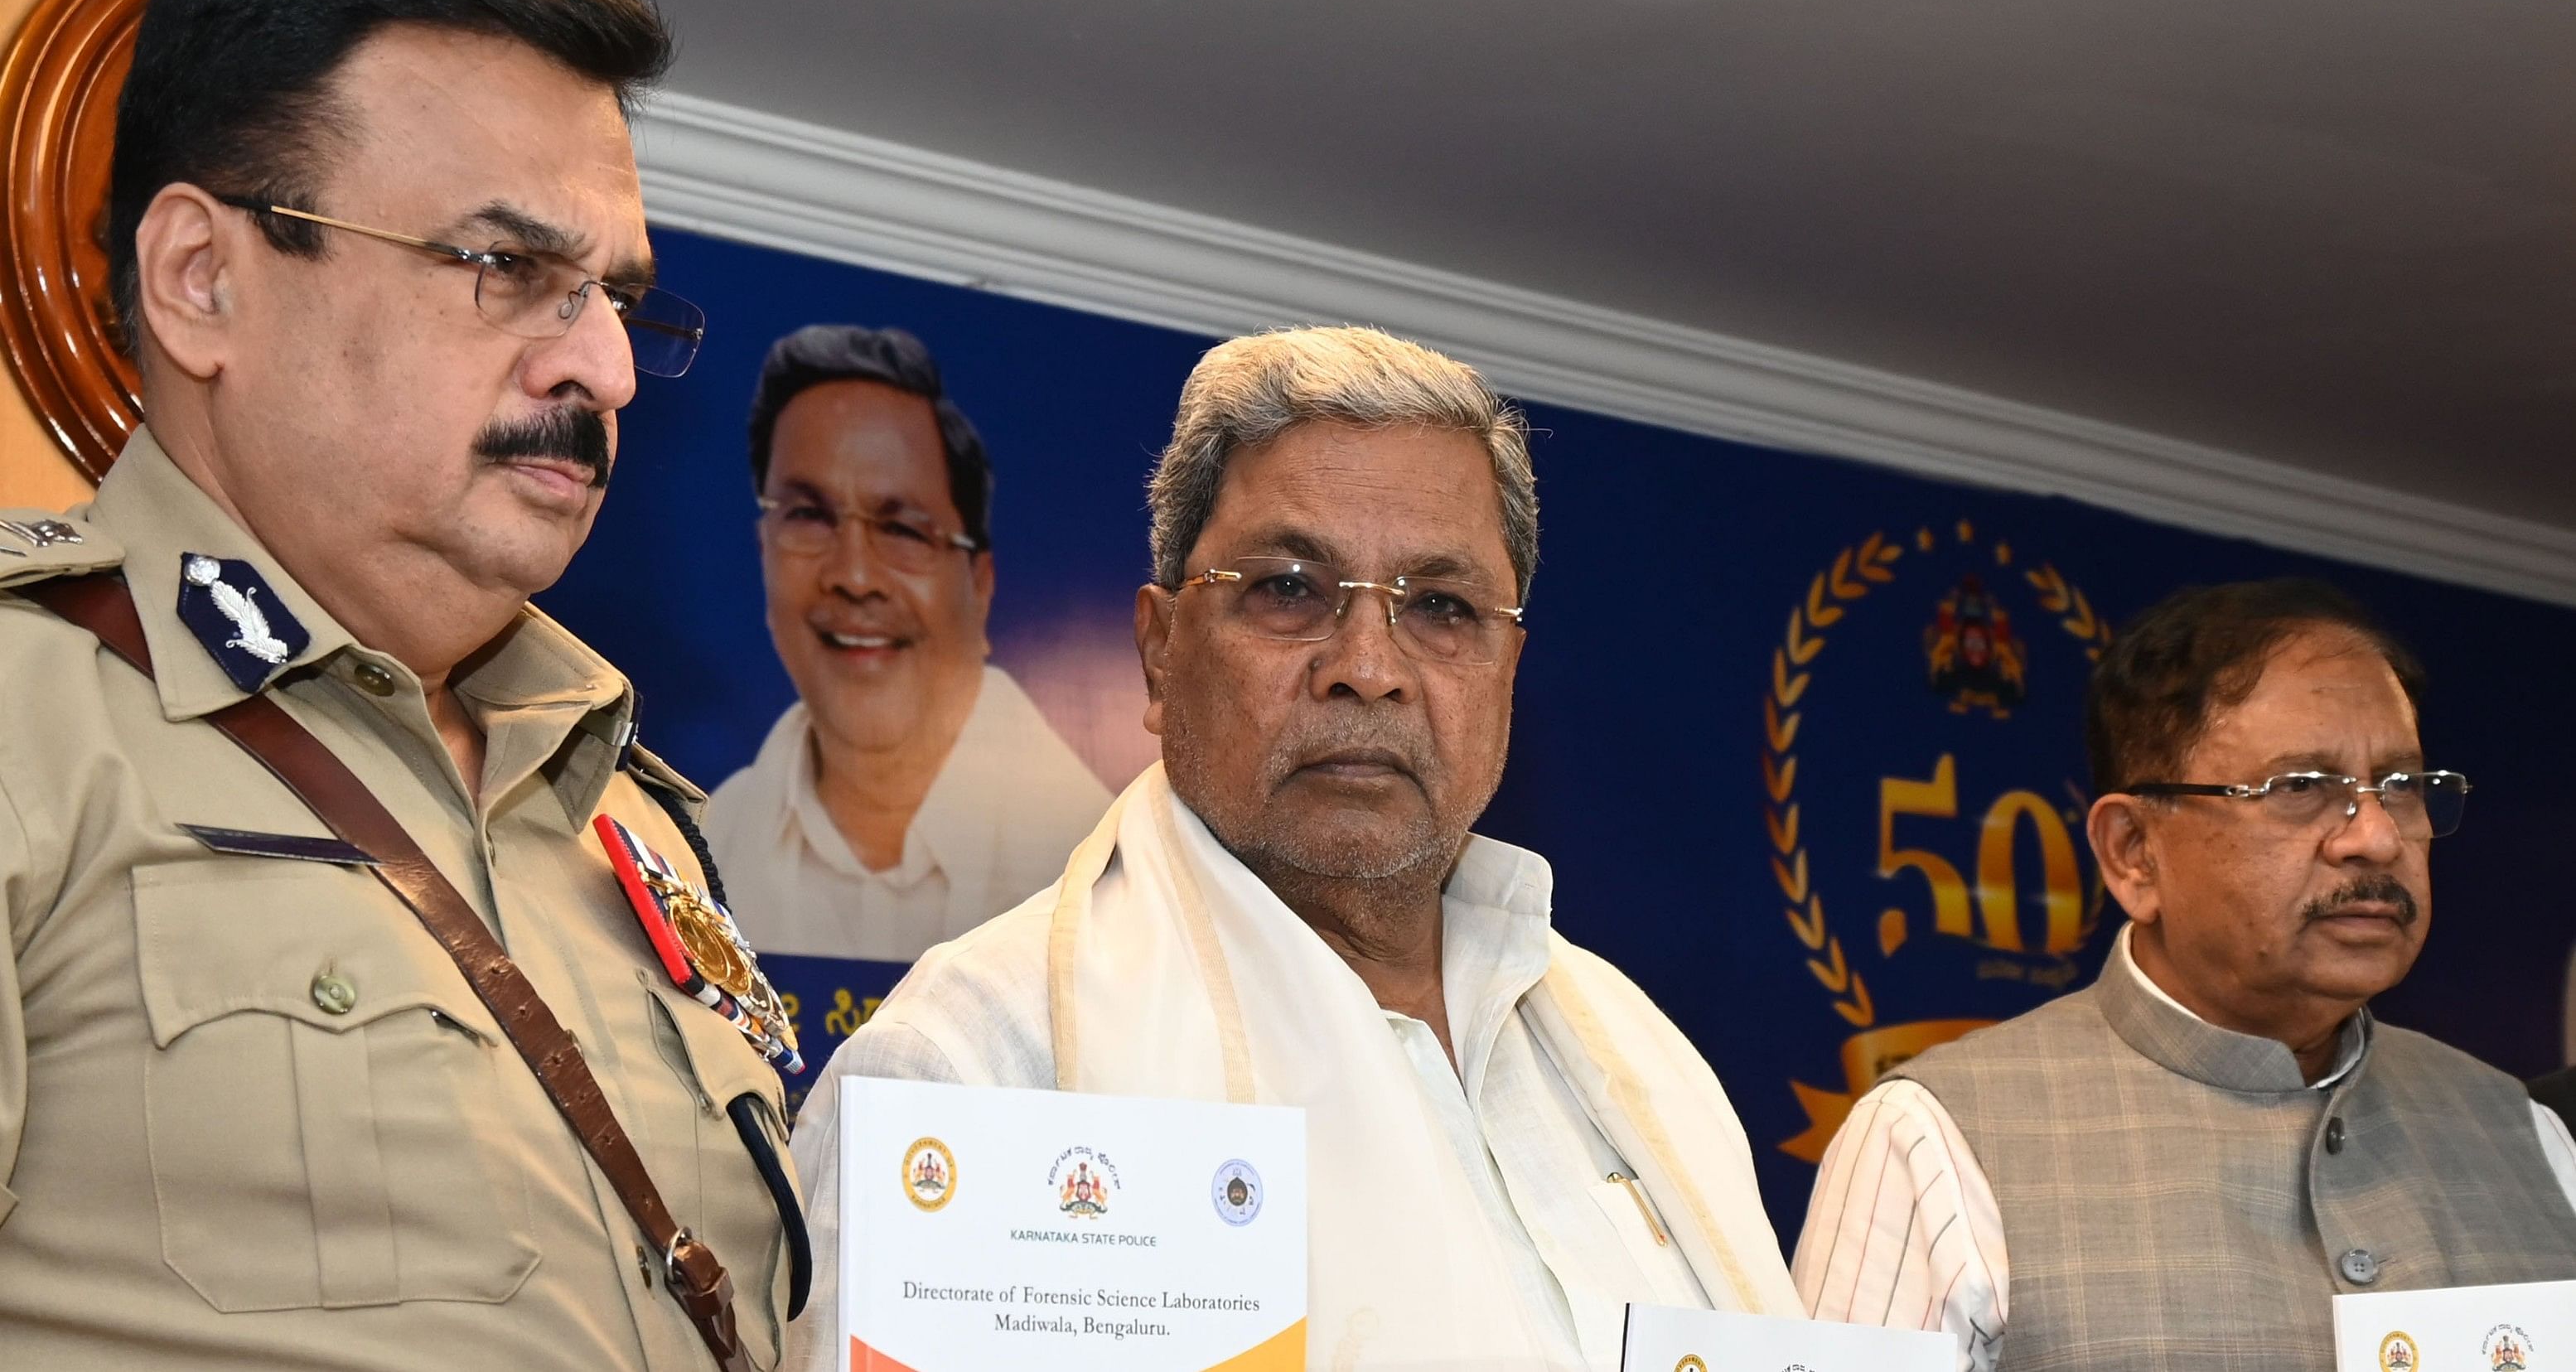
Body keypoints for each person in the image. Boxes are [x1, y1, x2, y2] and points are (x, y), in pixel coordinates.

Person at [0, 0, 800, 1365]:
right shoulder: (23, 715)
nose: (603, 368)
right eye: (504, 264)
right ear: (200, 277)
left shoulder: (634, 819)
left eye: (614, 294)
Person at [785, 326, 1799, 1372]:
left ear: (1507, 671)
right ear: (1159, 651)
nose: (1367, 666)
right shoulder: (973, 1069)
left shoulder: (1647, 1069)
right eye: (1288, 589)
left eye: (1442, 607)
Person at [1793, 579, 2576, 1372]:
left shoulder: (2525, 1134)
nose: (2374, 836)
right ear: (2133, 851)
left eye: (2401, 786)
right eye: (2301, 788)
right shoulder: (1934, 1142)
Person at [705, 326, 1108, 962]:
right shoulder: (705, 849)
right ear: (764, 552)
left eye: (902, 529)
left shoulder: (1100, 872)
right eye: (809, 516)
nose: (854, 575)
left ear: (978, 586)